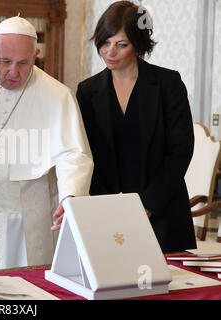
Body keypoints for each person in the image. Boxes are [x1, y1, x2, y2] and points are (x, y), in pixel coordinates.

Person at [0, 16, 93, 272]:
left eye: (23, 63)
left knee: (29, 287)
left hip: (31, 214)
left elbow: (73, 156)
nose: (13, 72)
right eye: (5, 62)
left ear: (36, 54)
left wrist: (70, 196)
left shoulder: (57, 95)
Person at [54, 1, 196, 253]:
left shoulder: (167, 84)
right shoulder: (87, 91)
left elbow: (181, 151)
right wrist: (110, 207)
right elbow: (86, 153)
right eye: (105, 43)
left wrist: (148, 205)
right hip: (107, 211)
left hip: (161, 210)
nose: (110, 52)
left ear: (139, 45)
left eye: (121, 45)